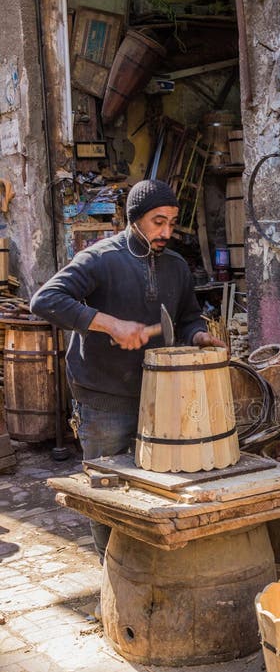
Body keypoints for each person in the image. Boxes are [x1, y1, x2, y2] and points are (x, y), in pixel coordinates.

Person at [31, 179, 225, 562]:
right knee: (107, 494)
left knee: (154, 490)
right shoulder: (100, 258)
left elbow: (186, 317)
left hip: (160, 396)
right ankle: (112, 574)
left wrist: (199, 335)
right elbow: (45, 300)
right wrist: (109, 324)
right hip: (104, 399)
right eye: (158, 222)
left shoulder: (175, 266)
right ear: (135, 219)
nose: (166, 232)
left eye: (171, 222)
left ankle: (146, 571)